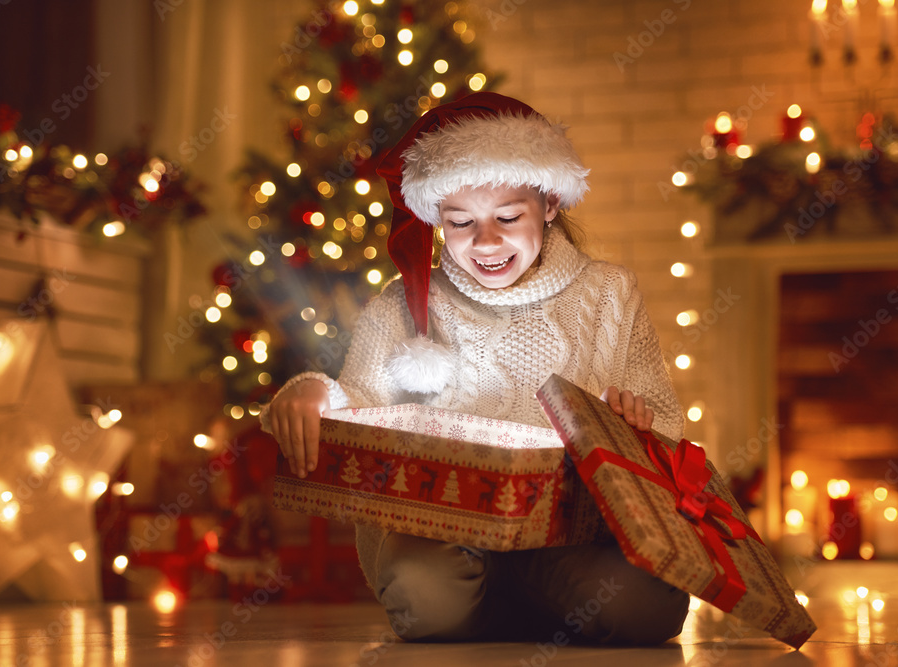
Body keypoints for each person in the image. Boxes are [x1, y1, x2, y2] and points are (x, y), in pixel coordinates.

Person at [261, 92, 690, 644]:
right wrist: (312, 393)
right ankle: (494, 606)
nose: (486, 242)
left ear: (551, 204)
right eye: (460, 223)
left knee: (647, 608)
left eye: (508, 217)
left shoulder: (608, 293)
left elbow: (668, 428)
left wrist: (636, 425)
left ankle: (521, 598)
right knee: (424, 597)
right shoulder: (405, 303)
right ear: (436, 219)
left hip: (568, 539)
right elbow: (360, 396)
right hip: (442, 538)